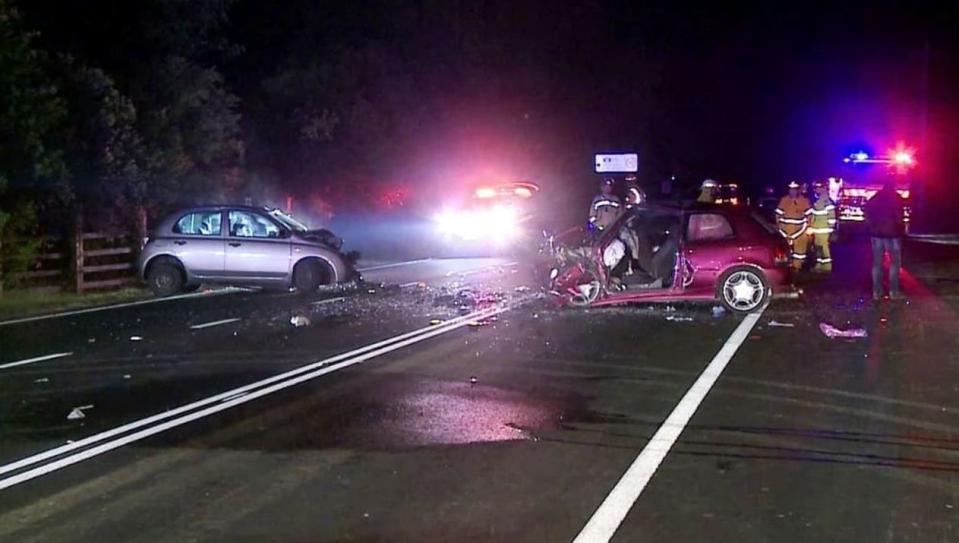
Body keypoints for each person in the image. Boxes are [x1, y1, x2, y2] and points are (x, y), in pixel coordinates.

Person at [864, 178, 906, 300]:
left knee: (877, 264)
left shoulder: (876, 197)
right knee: (894, 264)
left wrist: (871, 225)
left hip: (877, 235)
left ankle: (877, 293)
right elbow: (899, 216)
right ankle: (894, 292)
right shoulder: (897, 198)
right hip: (893, 235)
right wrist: (901, 228)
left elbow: (866, 209)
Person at [775, 181, 812, 271]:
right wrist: (782, 231)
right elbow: (778, 215)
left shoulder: (804, 201)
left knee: (799, 253)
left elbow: (809, 216)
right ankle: (786, 270)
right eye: (791, 189)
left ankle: (797, 269)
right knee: (785, 252)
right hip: (785, 232)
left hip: (800, 232)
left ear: (797, 190)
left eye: (794, 189)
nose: (792, 191)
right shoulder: (784, 200)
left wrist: (806, 227)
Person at [807, 180, 837, 272]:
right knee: (818, 248)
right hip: (817, 229)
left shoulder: (826, 201)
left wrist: (830, 228)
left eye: (818, 187)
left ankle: (827, 266)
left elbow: (831, 216)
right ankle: (819, 265)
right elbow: (814, 214)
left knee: (824, 248)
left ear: (823, 188)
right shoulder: (818, 200)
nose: (816, 189)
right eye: (816, 188)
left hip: (824, 230)